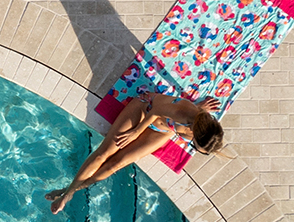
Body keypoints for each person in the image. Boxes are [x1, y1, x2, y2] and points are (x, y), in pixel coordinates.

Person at [45, 89, 225, 215]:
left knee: (116, 164)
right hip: (144, 109)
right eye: (194, 145)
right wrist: (136, 132)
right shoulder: (183, 112)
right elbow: (155, 111)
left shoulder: (200, 122)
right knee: (104, 153)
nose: (191, 147)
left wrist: (200, 107)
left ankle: (70, 189)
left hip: (164, 130)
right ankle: (68, 194)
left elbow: (197, 116)